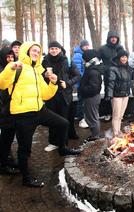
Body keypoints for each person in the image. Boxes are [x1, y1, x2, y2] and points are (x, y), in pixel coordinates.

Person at [0, 42, 81, 188]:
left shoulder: (38, 70)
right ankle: (26, 178)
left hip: (39, 110)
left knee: (64, 123)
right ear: (26, 51)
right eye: (33, 50)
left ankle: (62, 148)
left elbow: (46, 94)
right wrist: (10, 70)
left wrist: (53, 83)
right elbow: (2, 84)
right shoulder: (17, 66)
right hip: (23, 114)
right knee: (25, 148)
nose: (36, 53)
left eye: (38, 51)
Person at [42, 41, 81, 152]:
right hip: (50, 94)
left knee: (64, 120)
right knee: (52, 120)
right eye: (51, 48)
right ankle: (53, 142)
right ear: (49, 50)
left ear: (60, 49)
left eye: (56, 48)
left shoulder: (67, 61)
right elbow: (40, 77)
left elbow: (78, 75)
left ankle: (63, 144)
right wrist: (44, 75)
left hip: (64, 95)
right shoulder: (45, 61)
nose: (54, 50)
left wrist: (67, 83)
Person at [98, 31, 124, 121]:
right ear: (109, 38)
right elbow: (97, 61)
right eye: (112, 37)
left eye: (115, 37)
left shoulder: (120, 48)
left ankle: (117, 113)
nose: (113, 39)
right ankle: (107, 113)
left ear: (117, 38)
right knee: (108, 94)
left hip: (118, 74)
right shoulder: (103, 48)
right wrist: (104, 68)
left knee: (118, 93)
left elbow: (123, 59)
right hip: (108, 74)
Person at [0, 47, 19, 175]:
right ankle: (3, 165)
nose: (10, 59)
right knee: (5, 138)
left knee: (8, 137)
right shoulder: (2, 71)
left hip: (11, 110)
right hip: (3, 110)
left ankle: (7, 159)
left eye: (12, 57)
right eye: (7, 57)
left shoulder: (14, 70)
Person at [107, 50, 132, 137]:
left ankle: (118, 131)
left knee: (121, 116)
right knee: (116, 115)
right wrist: (109, 94)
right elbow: (111, 82)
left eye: (125, 57)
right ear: (119, 57)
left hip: (125, 95)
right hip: (116, 95)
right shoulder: (114, 68)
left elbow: (129, 82)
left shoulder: (128, 68)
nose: (124, 58)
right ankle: (115, 133)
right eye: (122, 57)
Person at [79, 49, 102, 141]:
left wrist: (82, 90)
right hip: (91, 97)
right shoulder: (91, 68)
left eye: (84, 59)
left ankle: (95, 137)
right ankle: (94, 135)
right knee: (91, 117)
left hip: (91, 97)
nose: (83, 61)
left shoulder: (93, 71)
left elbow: (93, 87)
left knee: (92, 118)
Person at [72, 39, 90, 128]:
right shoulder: (77, 56)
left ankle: (81, 116)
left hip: (85, 82)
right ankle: (80, 117)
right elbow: (78, 71)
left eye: (88, 46)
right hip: (81, 83)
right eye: (85, 46)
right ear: (81, 46)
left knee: (83, 100)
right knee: (81, 100)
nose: (87, 47)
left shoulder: (84, 54)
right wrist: (86, 79)